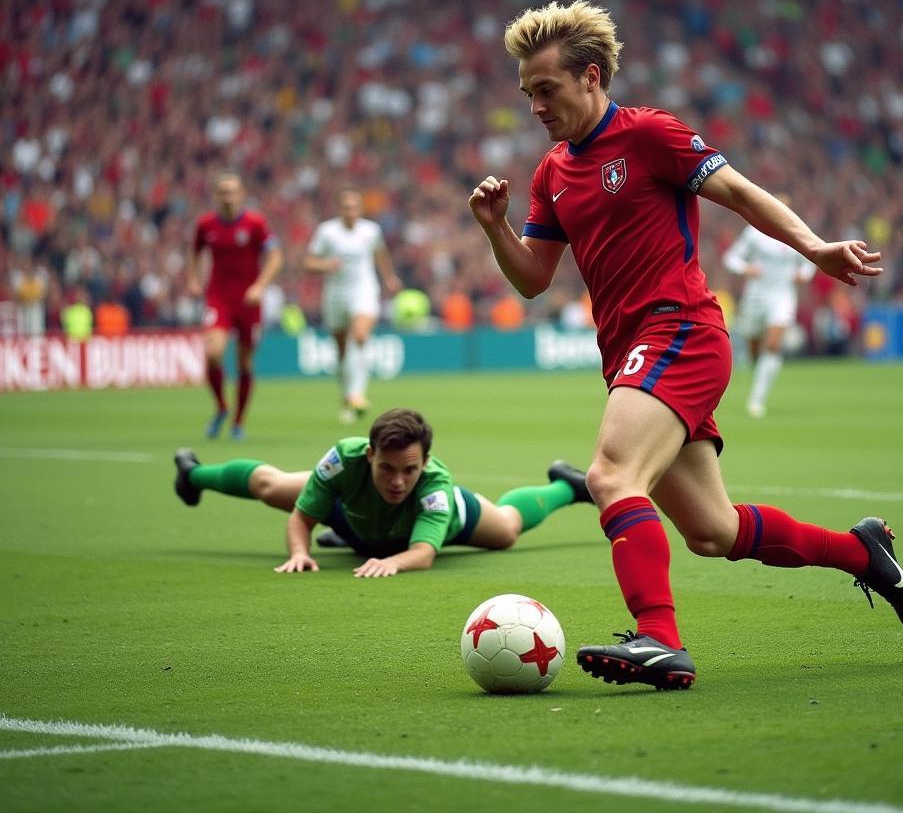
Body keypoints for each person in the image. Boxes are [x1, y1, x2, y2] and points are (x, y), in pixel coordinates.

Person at [469, 0, 903, 692]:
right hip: (629, 352)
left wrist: (813, 248)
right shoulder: (552, 172)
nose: (534, 105)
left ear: (591, 77)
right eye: (527, 92)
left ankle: (660, 639)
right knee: (714, 531)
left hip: (679, 329)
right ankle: (864, 554)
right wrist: (496, 227)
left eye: (545, 88)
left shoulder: (650, 134)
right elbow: (532, 279)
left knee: (611, 477)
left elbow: (739, 193)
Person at [172, 406, 593, 576]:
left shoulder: (434, 487)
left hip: (430, 527)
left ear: (424, 463)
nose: (397, 481)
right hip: (351, 511)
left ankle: (566, 486)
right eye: (386, 468)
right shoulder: (344, 459)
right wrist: (299, 552)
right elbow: (301, 517)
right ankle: (192, 474)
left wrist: (394, 562)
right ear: (370, 455)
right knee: (271, 485)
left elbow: (424, 554)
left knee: (506, 530)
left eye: (408, 470)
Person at [186, 171, 282, 440]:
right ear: (216, 195)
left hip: (249, 301)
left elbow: (276, 258)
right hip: (219, 298)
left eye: (232, 190)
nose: (227, 196)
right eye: (223, 191)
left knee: (245, 364)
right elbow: (194, 251)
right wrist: (193, 279)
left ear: (241, 194)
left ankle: (238, 421)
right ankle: (221, 406)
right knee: (213, 353)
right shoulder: (206, 225)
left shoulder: (255, 223)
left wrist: (260, 286)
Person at [303, 189, 403, 423]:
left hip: (364, 291)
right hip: (335, 295)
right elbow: (308, 262)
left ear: (360, 209)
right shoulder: (327, 232)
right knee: (340, 351)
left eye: (354, 207)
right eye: (346, 207)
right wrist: (326, 265)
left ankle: (356, 395)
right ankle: (346, 396)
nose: (350, 211)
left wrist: (389, 277)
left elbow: (381, 254)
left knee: (359, 336)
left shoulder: (370, 230)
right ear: (340, 209)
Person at [722, 196, 815, 418]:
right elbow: (731, 258)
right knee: (754, 347)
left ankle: (757, 399)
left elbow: (811, 259)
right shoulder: (755, 234)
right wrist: (746, 269)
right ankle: (759, 367)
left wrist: (804, 275)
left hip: (782, 296)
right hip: (755, 297)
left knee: (772, 344)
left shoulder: (797, 233)